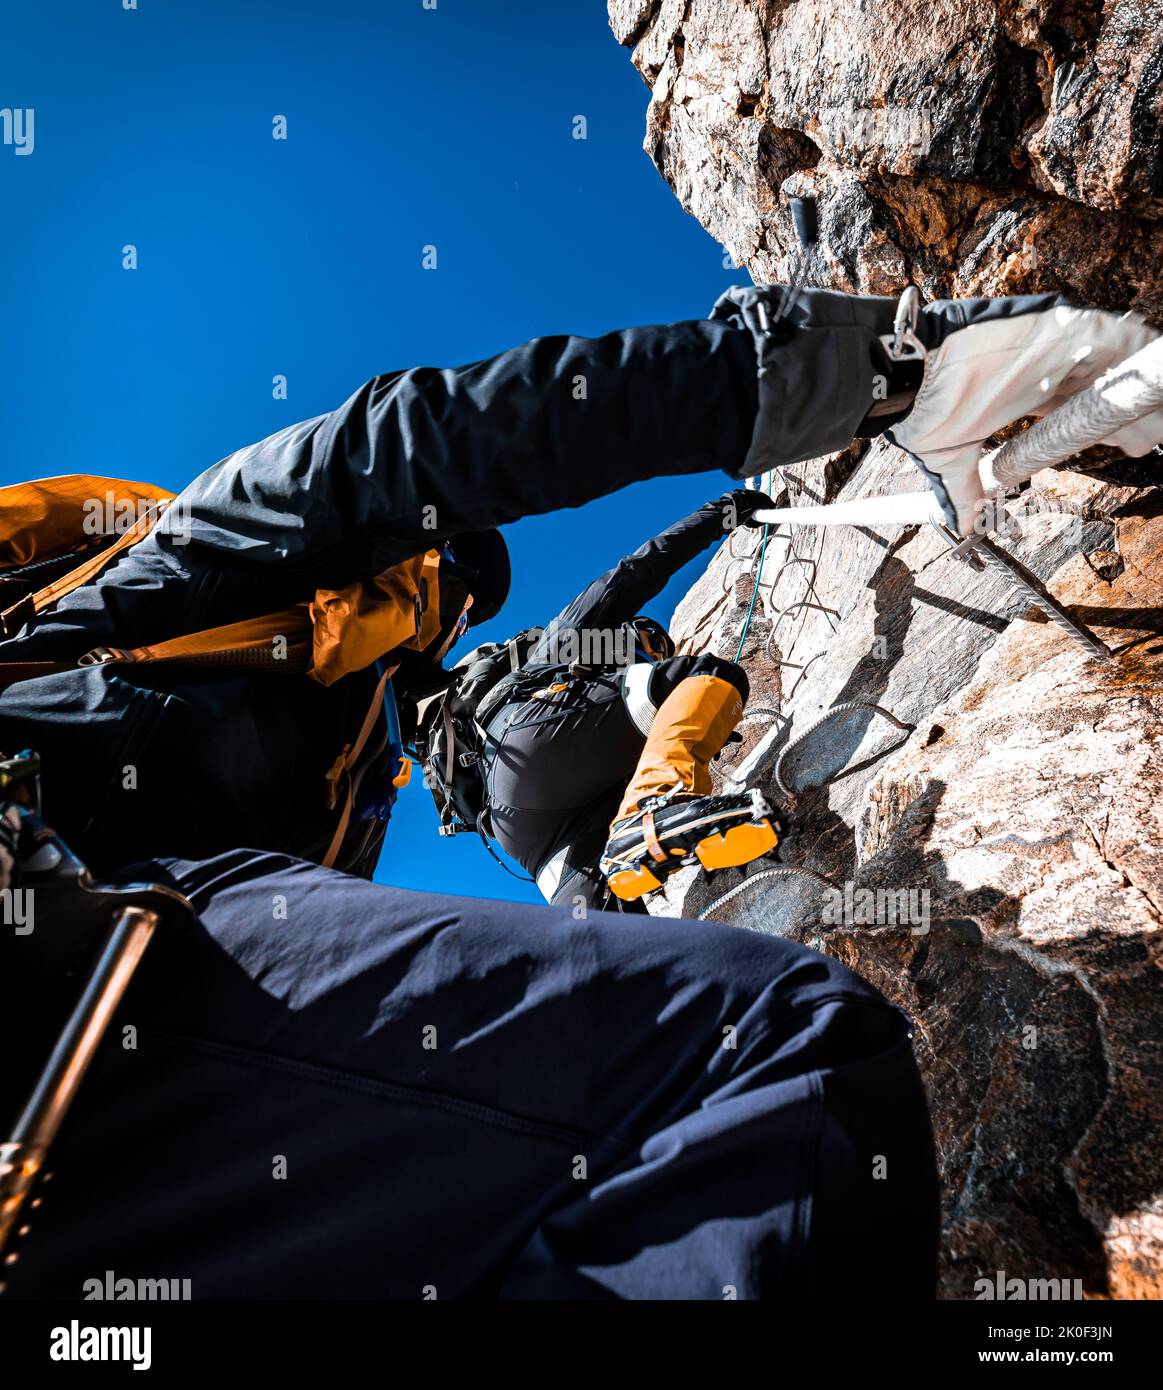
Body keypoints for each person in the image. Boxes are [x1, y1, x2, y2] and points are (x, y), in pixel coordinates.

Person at [413, 491, 782, 909]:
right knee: (709, 676)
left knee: (612, 940)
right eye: (648, 643)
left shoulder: (590, 723)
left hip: (521, 833)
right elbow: (638, 569)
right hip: (528, 736)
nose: (652, 653)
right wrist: (721, 513)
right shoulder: (556, 647)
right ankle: (654, 803)